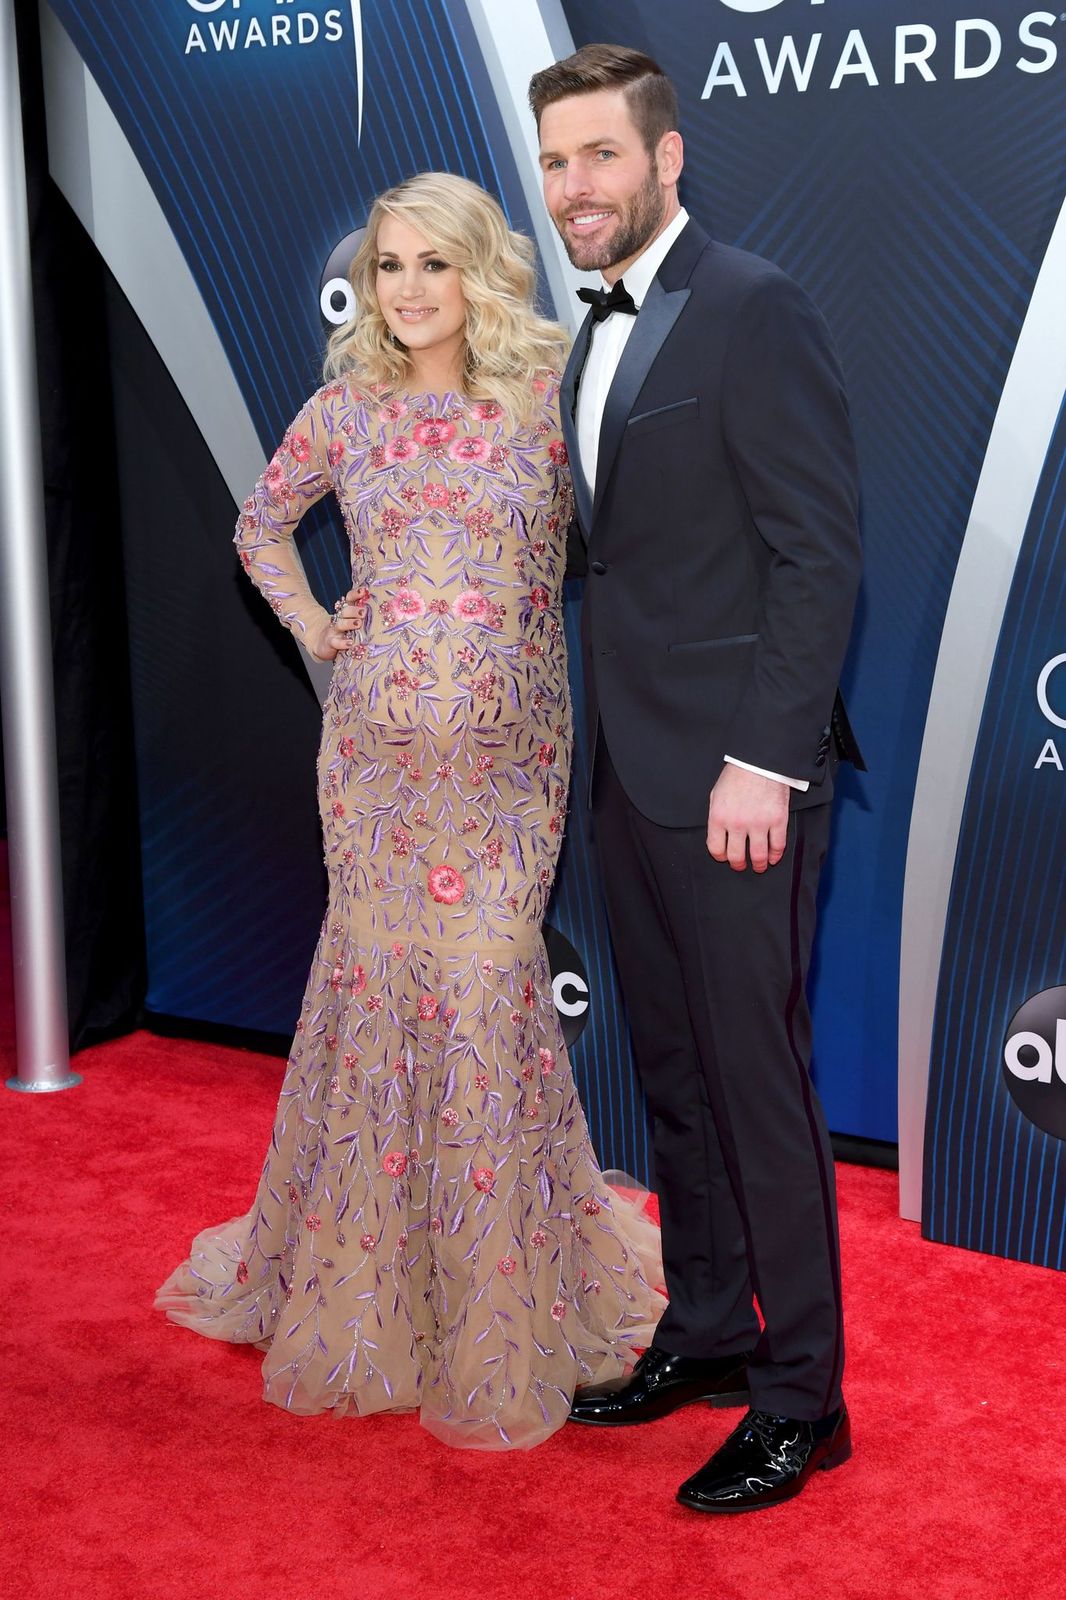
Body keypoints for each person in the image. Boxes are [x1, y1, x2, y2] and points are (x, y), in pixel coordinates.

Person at [155, 171, 663, 1450]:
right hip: (376, 760)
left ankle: (503, 1293)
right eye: (389, 267)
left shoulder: (548, 400)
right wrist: (321, 626)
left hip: (504, 766)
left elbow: (627, 544)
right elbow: (259, 526)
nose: (410, 289)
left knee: (491, 990)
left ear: (480, 269)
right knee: (380, 996)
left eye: (435, 263)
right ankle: (372, 1284)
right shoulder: (347, 409)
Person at [528, 45, 864, 1510]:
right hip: (628, 771)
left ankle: (805, 1401)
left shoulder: (750, 307)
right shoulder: (575, 332)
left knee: (756, 1089)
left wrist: (760, 766)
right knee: (671, 1078)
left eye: (598, 157)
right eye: (552, 163)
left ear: (665, 162)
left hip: (735, 783)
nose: (572, 188)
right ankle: (711, 1333)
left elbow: (817, 555)